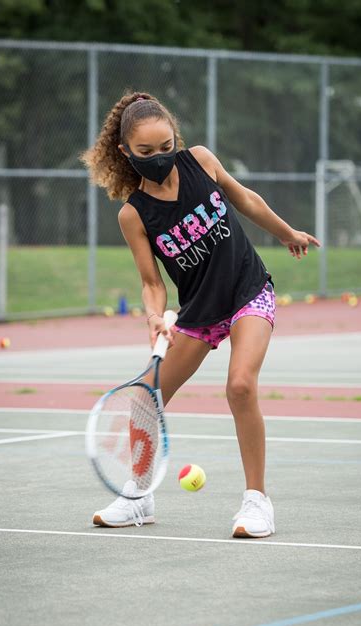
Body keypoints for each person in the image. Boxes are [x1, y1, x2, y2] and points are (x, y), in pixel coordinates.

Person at [81, 91, 320, 538]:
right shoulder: (133, 214)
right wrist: (154, 317)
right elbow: (152, 283)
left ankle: (257, 503)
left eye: (166, 147)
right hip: (199, 311)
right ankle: (138, 497)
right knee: (143, 400)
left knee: (240, 386)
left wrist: (288, 232)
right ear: (125, 152)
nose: (159, 158)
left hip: (248, 290)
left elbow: (245, 199)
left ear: (176, 138)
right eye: (146, 152)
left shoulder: (201, 161)